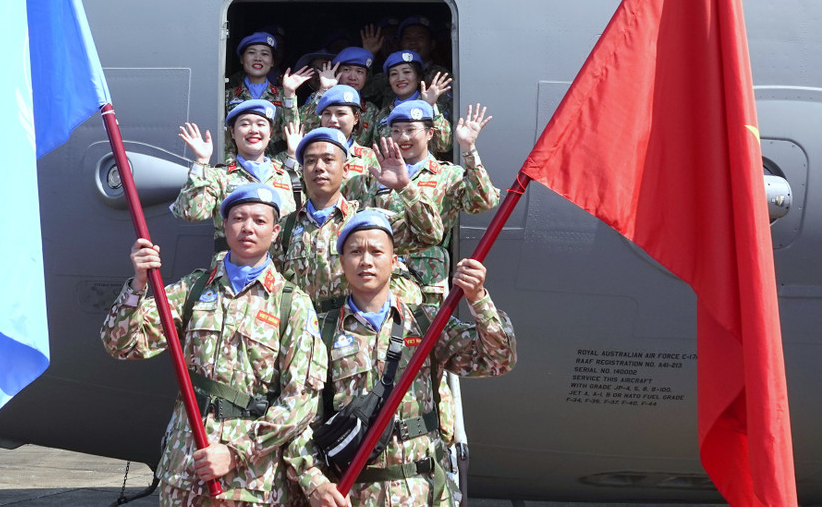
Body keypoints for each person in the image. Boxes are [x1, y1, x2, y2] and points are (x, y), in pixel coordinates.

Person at [102, 184, 325, 507]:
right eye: (238, 218)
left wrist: (235, 452)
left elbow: (300, 401)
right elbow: (120, 345)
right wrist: (138, 284)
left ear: (276, 231)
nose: (248, 227)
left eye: (260, 221)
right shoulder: (193, 290)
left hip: (251, 479)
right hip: (186, 468)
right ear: (225, 225)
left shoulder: (292, 304)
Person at [284, 213, 516, 507]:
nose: (366, 261)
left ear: (394, 262)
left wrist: (478, 298)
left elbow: (499, 359)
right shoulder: (322, 331)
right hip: (352, 494)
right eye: (355, 252)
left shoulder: (425, 323)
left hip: (421, 491)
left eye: (377, 251)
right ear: (341, 264)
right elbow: (296, 419)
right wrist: (314, 483)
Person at [276, 128, 440, 302]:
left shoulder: (367, 222)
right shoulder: (286, 228)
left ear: (346, 169)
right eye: (310, 161)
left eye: (328, 160)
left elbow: (430, 235)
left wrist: (405, 187)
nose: (319, 168)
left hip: (351, 326)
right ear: (302, 171)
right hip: (304, 326)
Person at [372, 101, 498, 302]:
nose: (403, 137)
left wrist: (468, 149)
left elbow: (485, 202)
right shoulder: (377, 174)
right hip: (382, 275)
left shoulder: (448, 174)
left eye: (411, 129)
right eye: (396, 131)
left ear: (430, 133)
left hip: (427, 279)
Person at [173, 100, 300, 249]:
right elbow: (190, 213)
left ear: (270, 133)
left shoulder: (285, 176)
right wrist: (201, 162)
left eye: (261, 124)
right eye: (245, 124)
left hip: (275, 268)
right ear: (232, 132)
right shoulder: (219, 176)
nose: (253, 130)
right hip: (232, 266)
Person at [379, 51, 453, 155]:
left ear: (418, 78)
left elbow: (445, 145)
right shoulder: (384, 113)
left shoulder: (433, 106)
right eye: (394, 74)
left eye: (407, 72)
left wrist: (429, 105)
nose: (400, 78)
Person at [225, 31, 285, 110]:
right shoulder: (227, 96)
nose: (258, 58)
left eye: (264, 54)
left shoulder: (284, 96)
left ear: (272, 62)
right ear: (242, 59)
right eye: (251, 52)